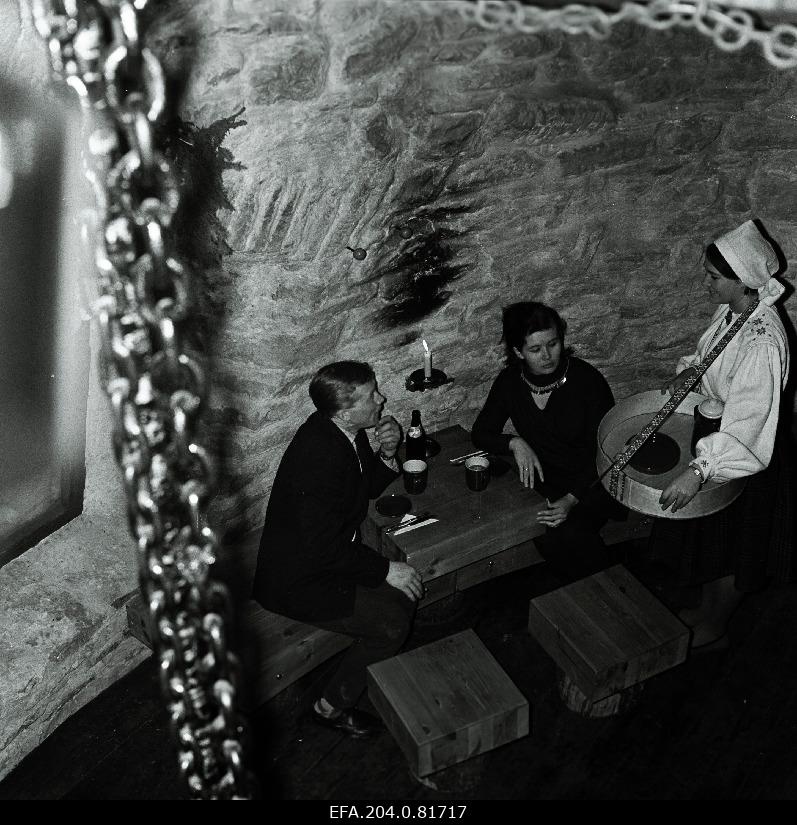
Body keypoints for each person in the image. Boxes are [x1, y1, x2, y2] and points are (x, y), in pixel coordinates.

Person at [252, 361, 423, 738]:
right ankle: (329, 707)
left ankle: (366, 661)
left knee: (403, 596)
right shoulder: (317, 458)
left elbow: (362, 491)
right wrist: (384, 570)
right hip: (298, 579)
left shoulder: (344, 432)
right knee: (391, 623)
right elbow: (322, 550)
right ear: (345, 411)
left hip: (329, 556)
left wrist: (388, 453)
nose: (382, 399)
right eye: (372, 395)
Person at [650, 219, 793, 650]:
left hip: (746, 452)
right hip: (719, 435)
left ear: (741, 280)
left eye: (713, 277)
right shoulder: (733, 312)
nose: (706, 283)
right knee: (716, 539)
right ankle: (708, 611)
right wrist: (692, 373)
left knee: (737, 546)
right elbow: (711, 357)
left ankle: (716, 626)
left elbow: (749, 421)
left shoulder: (763, 341)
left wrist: (700, 470)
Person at [471, 301, 626, 582]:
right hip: (545, 481)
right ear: (518, 352)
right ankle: (587, 598)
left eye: (553, 344)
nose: (547, 355)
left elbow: (607, 451)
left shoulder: (586, 381)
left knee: (567, 535)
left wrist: (571, 499)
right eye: (535, 349)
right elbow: (481, 433)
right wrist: (515, 442)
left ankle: (610, 599)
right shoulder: (510, 381)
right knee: (542, 530)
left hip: (591, 482)